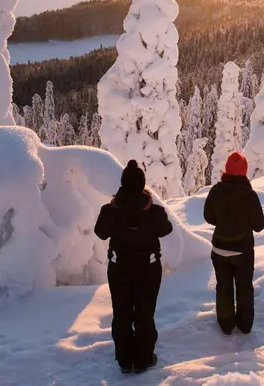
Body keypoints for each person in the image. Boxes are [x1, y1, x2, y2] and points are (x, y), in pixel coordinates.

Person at [94, 160, 173, 374]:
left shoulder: (109, 210)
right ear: (142, 184)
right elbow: (166, 230)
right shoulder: (155, 211)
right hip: (148, 268)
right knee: (144, 314)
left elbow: (100, 232)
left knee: (122, 313)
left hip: (119, 268)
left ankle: (124, 360)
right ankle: (143, 359)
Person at [203, 152, 264, 335]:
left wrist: (223, 222)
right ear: (244, 171)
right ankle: (245, 325)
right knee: (244, 287)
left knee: (223, 287)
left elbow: (208, 217)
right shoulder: (249, 195)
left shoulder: (216, 190)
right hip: (243, 252)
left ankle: (226, 325)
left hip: (219, 249)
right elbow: (259, 225)